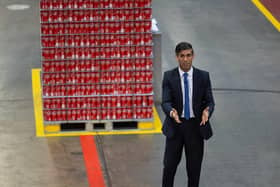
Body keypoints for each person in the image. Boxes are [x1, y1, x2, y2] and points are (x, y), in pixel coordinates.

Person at [161, 42, 215, 187]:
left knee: (194, 171)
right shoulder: (168, 77)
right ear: (177, 57)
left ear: (193, 56)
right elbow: (165, 101)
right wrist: (172, 112)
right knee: (169, 168)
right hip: (176, 127)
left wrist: (207, 111)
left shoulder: (203, 77)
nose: (186, 59)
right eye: (182, 56)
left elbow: (210, 101)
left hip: (195, 128)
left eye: (189, 55)